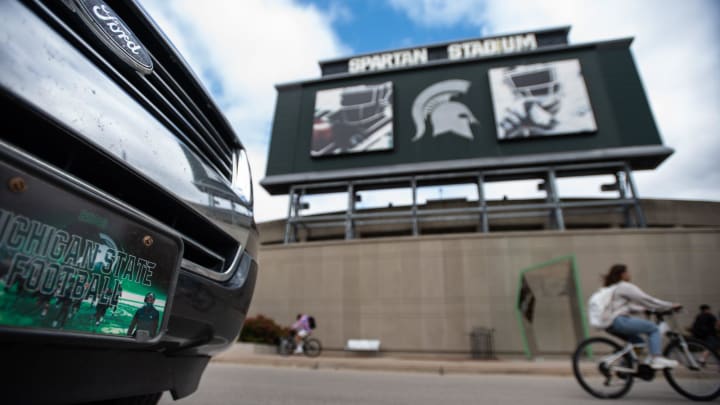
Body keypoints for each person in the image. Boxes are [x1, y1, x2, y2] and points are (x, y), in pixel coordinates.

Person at [602, 264, 681, 369]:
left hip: (609, 324)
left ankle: (625, 366)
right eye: (627, 272)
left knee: (638, 342)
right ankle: (656, 358)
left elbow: (627, 306)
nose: (629, 274)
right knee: (653, 329)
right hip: (619, 321)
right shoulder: (624, 286)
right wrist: (669, 306)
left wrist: (644, 309)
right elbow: (646, 300)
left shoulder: (612, 288)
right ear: (623, 274)